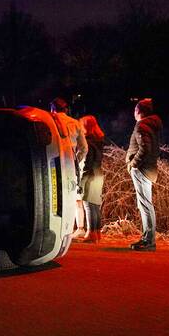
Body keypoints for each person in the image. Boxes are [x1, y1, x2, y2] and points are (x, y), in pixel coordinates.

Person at [126, 98, 162, 251]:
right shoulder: (152, 126)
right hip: (150, 168)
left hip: (142, 170)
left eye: (135, 110)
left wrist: (133, 164)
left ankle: (148, 241)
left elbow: (145, 148)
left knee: (145, 205)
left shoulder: (142, 125)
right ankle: (147, 238)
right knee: (146, 204)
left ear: (139, 111)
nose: (133, 113)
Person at [50, 97, 88, 234]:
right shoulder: (75, 123)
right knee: (75, 195)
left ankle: (60, 227)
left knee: (55, 196)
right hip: (70, 164)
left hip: (53, 163)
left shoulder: (51, 121)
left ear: (53, 108)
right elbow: (84, 148)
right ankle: (79, 228)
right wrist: (76, 162)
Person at [77, 115, 105, 243]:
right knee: (95, 205)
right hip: (99, 173)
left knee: (88, 205)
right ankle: (97, 233)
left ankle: (90, 234)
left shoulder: (88, 142)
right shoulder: (99, 141)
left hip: (90, 175)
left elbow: (87, 163)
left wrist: (82, 180)